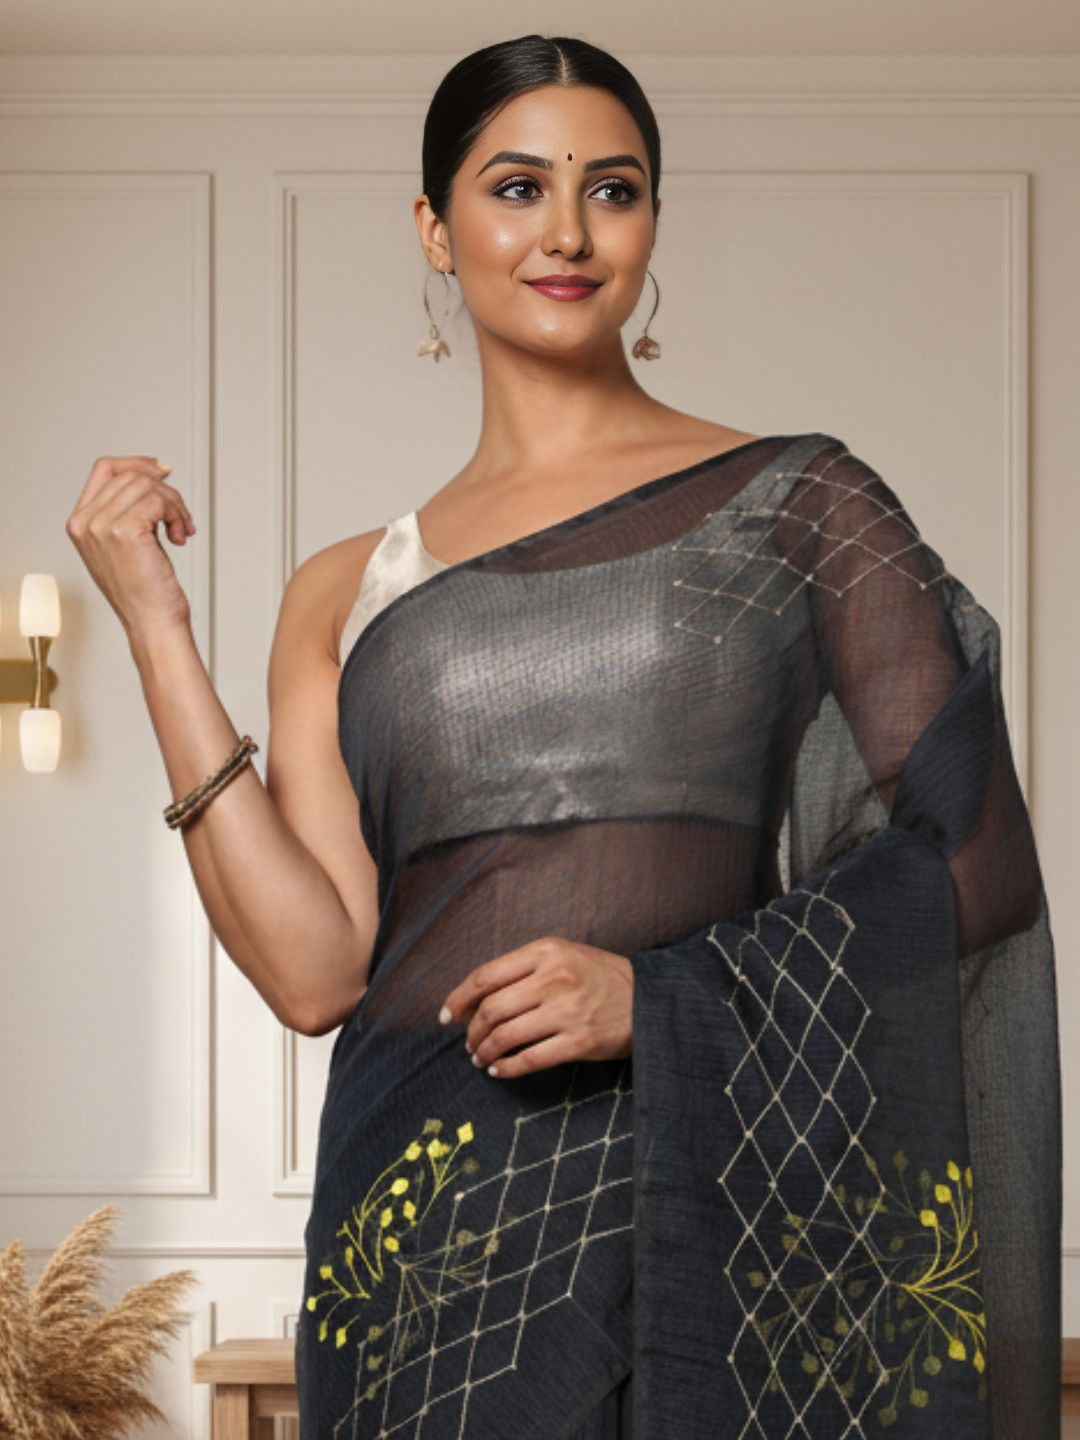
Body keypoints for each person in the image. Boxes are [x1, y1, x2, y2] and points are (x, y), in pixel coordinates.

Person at [67, 32, 1062, 1440]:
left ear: (652, 221)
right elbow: (313, 967)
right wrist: (156, 626)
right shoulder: (347, 589)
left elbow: (976, 860)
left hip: (701, 1201)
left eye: (614, 189)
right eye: (519, 186)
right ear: (435, 227)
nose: (569, 233)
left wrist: (659, 998)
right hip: (420, 1248)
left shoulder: (796, 506)